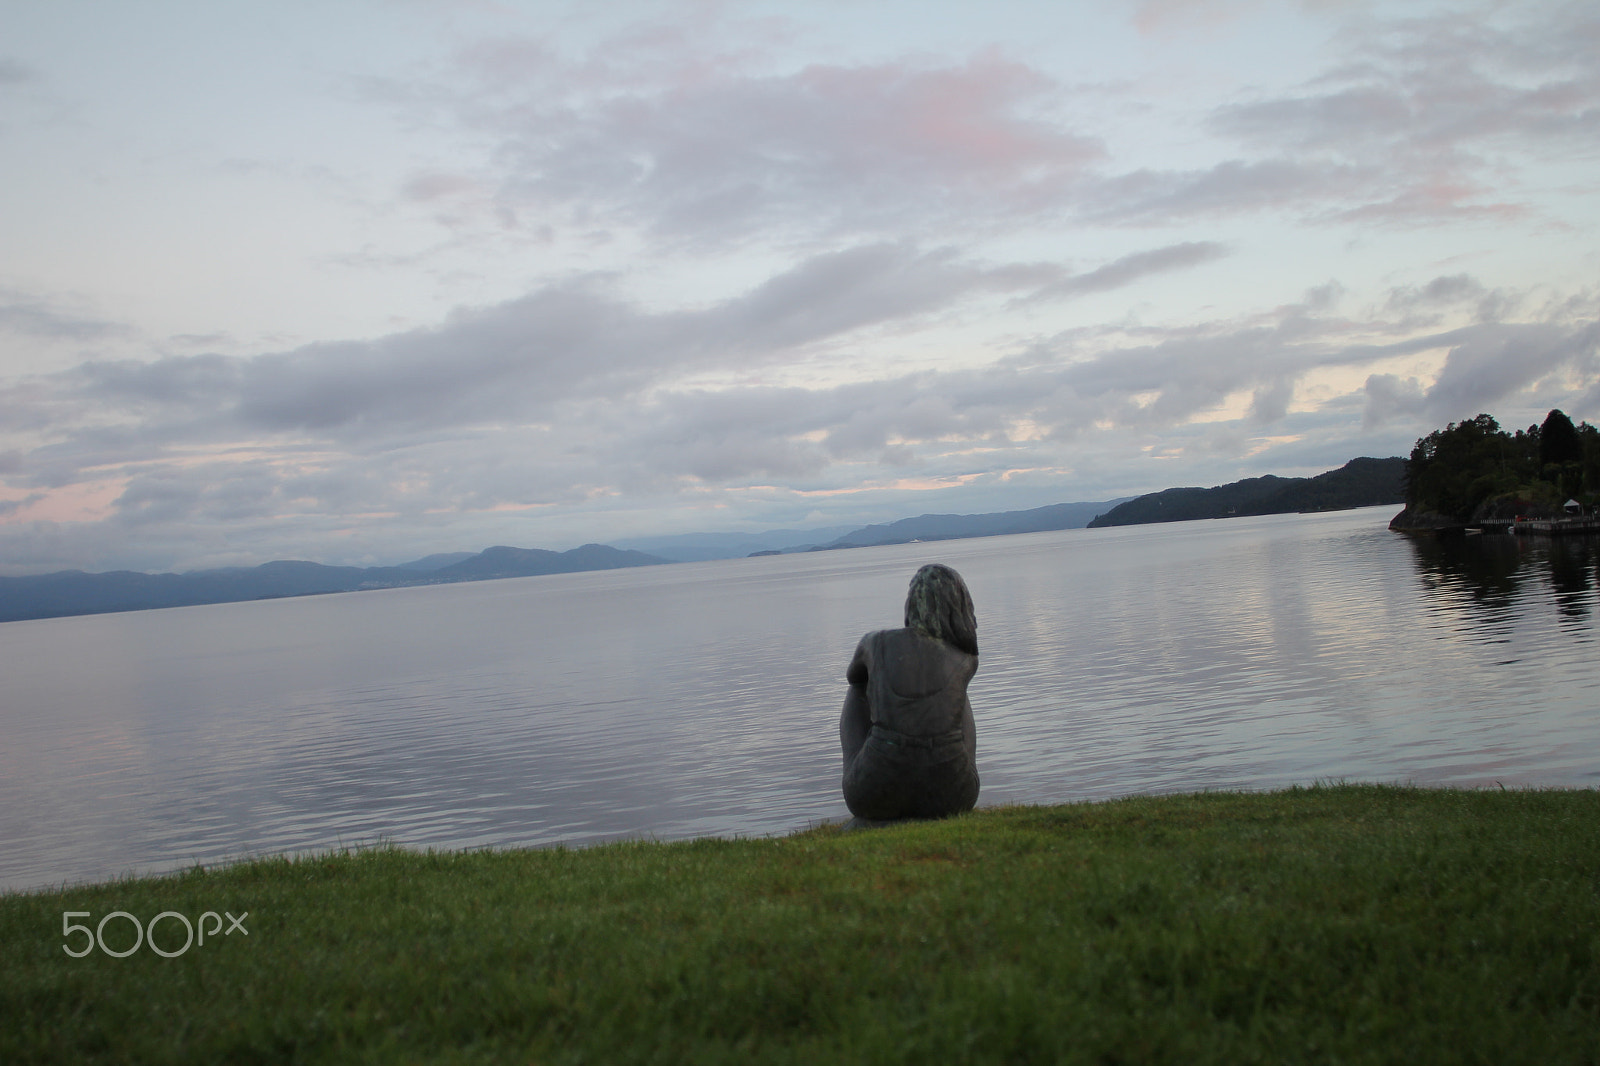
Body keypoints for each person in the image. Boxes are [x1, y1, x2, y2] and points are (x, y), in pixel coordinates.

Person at [839, 563, 980, 820]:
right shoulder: (966, 658)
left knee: (857, 686)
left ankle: (859, 765)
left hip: (870, 794)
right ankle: (961, 767)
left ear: (911, 603)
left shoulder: (874, 642)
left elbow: (854, 676)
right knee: (956, 691)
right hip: (956, 796)